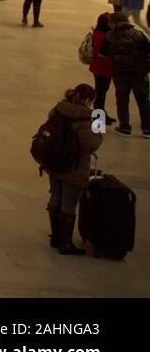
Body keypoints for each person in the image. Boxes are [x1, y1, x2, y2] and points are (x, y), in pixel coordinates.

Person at [39, 85, 101, 255]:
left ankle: (55, 237)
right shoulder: (83, 119)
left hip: (55, 162)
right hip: (74, 166)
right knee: (69, 202)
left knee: (55, 196)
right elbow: (90, 145)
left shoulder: (57, 109)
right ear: (87, 100)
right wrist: (98, 131)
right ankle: (65, 243)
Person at [101, 12, 150, 137]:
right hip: (139, 74)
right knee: (144, 101)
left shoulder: (110, 36)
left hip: (120, 74)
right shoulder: (138, 35)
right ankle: (147, 128)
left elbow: (104, 54)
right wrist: (146, 71)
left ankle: (125, 127)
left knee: (122, 100)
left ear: (113, 23)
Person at [88, 13, 116, 128]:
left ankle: (101, 113)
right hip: (101, 69)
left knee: (102, 92)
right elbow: (100, 53)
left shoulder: (104, 33)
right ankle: (98, 119)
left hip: (104, 69)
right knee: (100, 93)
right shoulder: (100, 35)